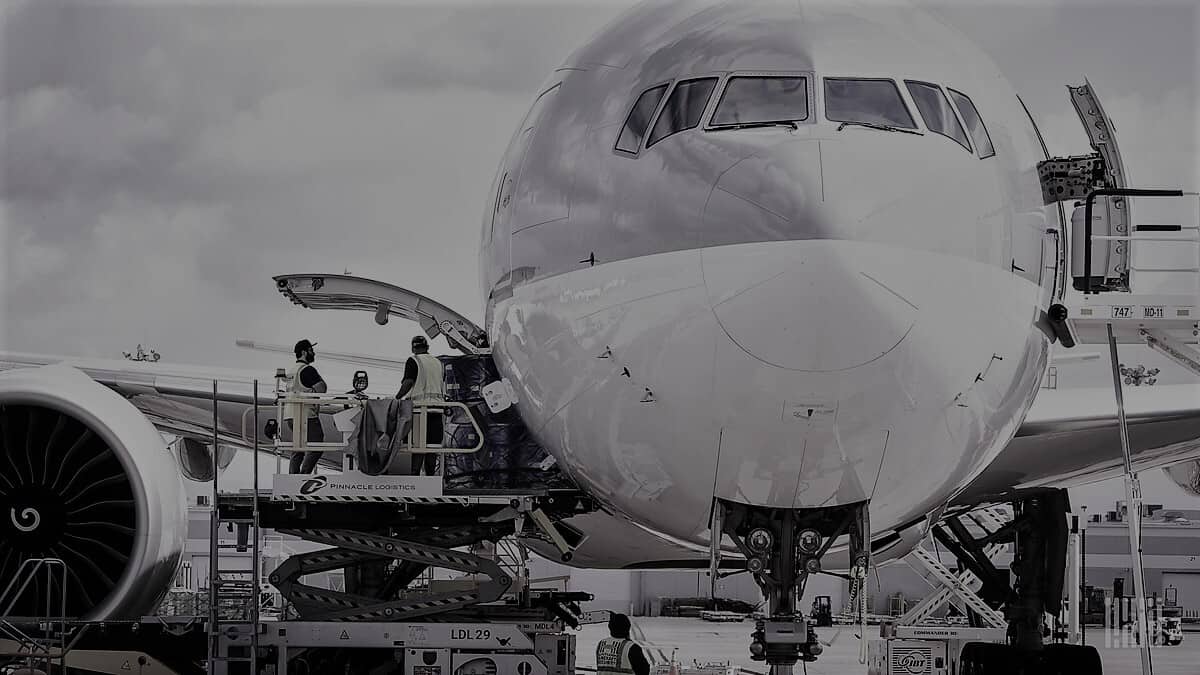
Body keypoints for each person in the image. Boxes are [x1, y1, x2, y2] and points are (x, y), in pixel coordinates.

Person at [395, 335, 444, 475]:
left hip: (420, 411)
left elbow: (408, 382)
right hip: (437, 410)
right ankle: (430, 479)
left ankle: (415, 477)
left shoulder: (414, 360)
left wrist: (397, 398)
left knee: (418, 446)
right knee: (432, 447)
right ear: (427, 347)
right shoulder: (438, 362)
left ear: (413, 348)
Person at [284, 339, 327, 474]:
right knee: (317, 446)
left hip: (290, 414)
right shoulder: (307, 370)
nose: (313, 353)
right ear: (304, 352)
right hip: (305, 414)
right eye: (311, 350)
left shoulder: (292, 371)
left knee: (298, 448)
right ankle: (304, 476)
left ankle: (293, 479)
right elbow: (322, 388)